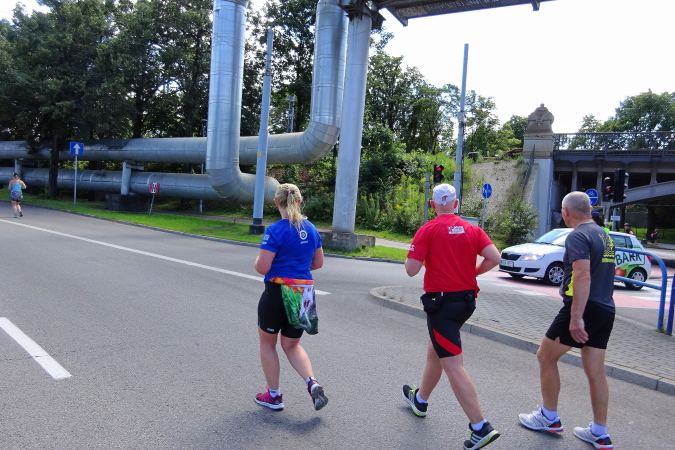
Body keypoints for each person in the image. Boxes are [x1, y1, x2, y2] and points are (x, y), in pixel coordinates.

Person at [401, 183, 502, 450]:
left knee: (453, 365)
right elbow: (495, 257)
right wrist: (472, 273)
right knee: (435, 350)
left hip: (442, 305)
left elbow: (411, 270)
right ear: (456, 204)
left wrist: (414, 255)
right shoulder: (472, 229)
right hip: (466, 302)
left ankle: (480, 427)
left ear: (432, 205)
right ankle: (420, 400)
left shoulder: (428, 229)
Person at [519, 191, 616, 450]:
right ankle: (600, 432)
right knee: (595, 371)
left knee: (545, 356)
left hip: (583, 307)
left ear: (565, 212)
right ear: (589, 210)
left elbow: (583, 275)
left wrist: (576, 317)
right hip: (606, 308)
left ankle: (549, 417)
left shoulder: (577, 235)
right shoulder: (604, 235)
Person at [253, 183, 328, 412]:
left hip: (278, 291)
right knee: (292, 345)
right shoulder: (311, 229)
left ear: (276, 202)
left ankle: (274, 396)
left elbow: (263, 267)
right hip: (302, 294)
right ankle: (312, 382)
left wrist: (258, 261)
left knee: (268, 344)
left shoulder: (275, 230)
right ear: (300, 201)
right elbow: (318, 263)